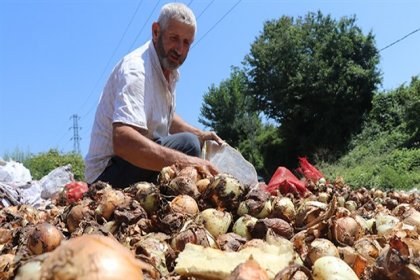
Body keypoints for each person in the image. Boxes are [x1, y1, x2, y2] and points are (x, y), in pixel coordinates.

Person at [84, 2, 223, 188]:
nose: (180, 49)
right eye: (174, 38)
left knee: (191, 141)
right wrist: (192, 162)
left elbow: (166, 116)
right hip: (106, 175)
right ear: (156, 31)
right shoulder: (137, 71)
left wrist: (201, 134)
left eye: (186, 42)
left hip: (128, 165)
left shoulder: (167, 72)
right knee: (188, 146)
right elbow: (123, 141)